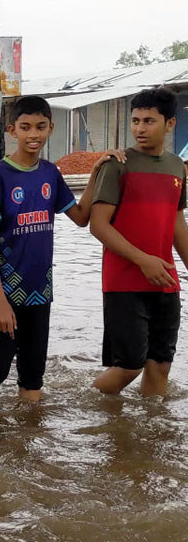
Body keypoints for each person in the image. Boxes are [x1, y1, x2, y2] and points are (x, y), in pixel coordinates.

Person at [0, 96, 119, 402]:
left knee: (33, 380)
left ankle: (28, 444)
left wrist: (95, 173)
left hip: (40, 292)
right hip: (0, 295)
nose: (33, 134)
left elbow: (80, 217)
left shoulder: (51, 173)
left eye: (40, 127)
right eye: (25, 127)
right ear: (12, 130)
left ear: (50, 128)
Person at [89, 87, 187, 397]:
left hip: (165, 281)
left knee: (160, 365)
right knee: (128, 366)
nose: (139, 129)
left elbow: (176, 223)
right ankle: (82, 405)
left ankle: (150, 435)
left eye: (149, 121)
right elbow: (98, 226)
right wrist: (142, 260)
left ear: (169, 123)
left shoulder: (177, 168)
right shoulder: (117, 164)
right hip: (124, 282)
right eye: (135, 121)